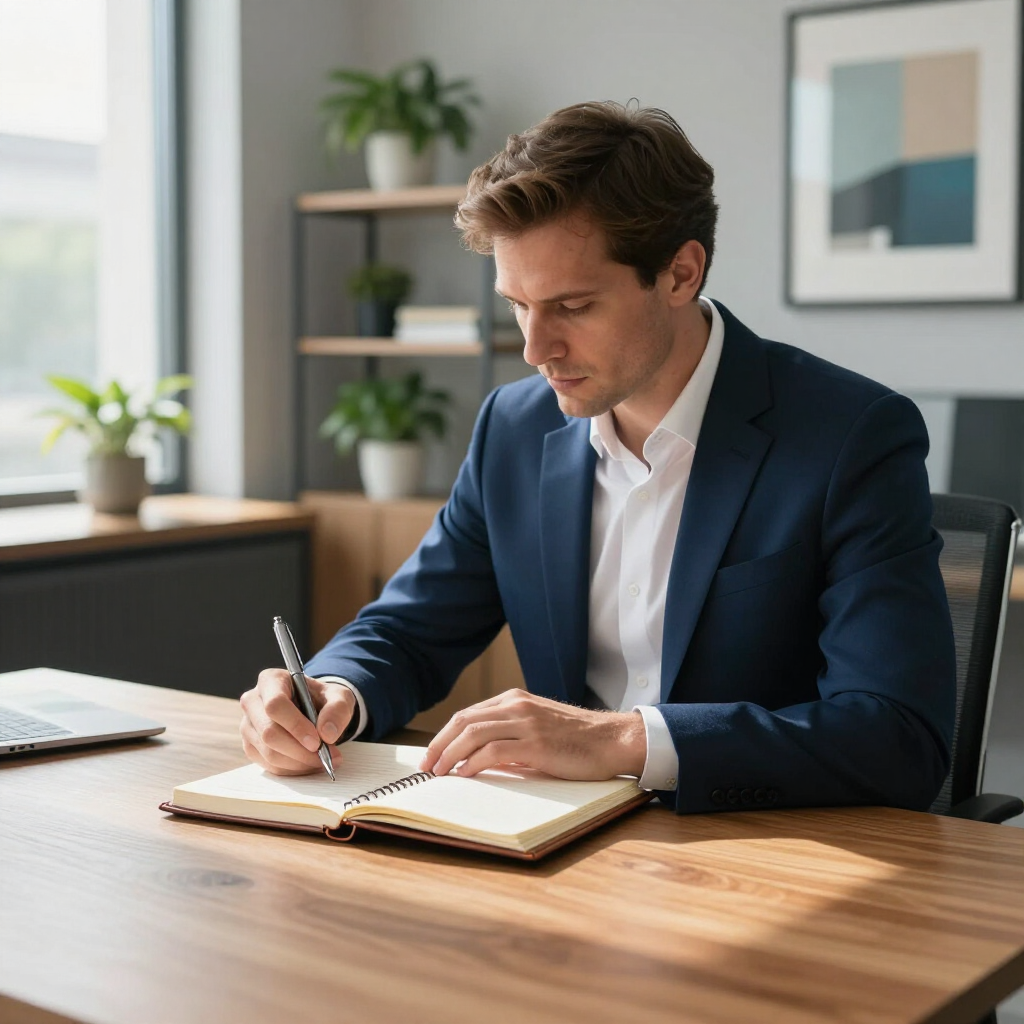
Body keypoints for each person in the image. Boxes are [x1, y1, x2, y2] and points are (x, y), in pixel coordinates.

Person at [239, 101, 956, 814]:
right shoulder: (514, 428)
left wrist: (624, 741)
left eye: (573, 307)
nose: (534, 349)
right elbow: (408, 629)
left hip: (758, 846)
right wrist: (332, 693)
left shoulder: (851, 436)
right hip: (552, 843)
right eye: (517, 304)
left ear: (680, 273)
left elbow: (897, 736)